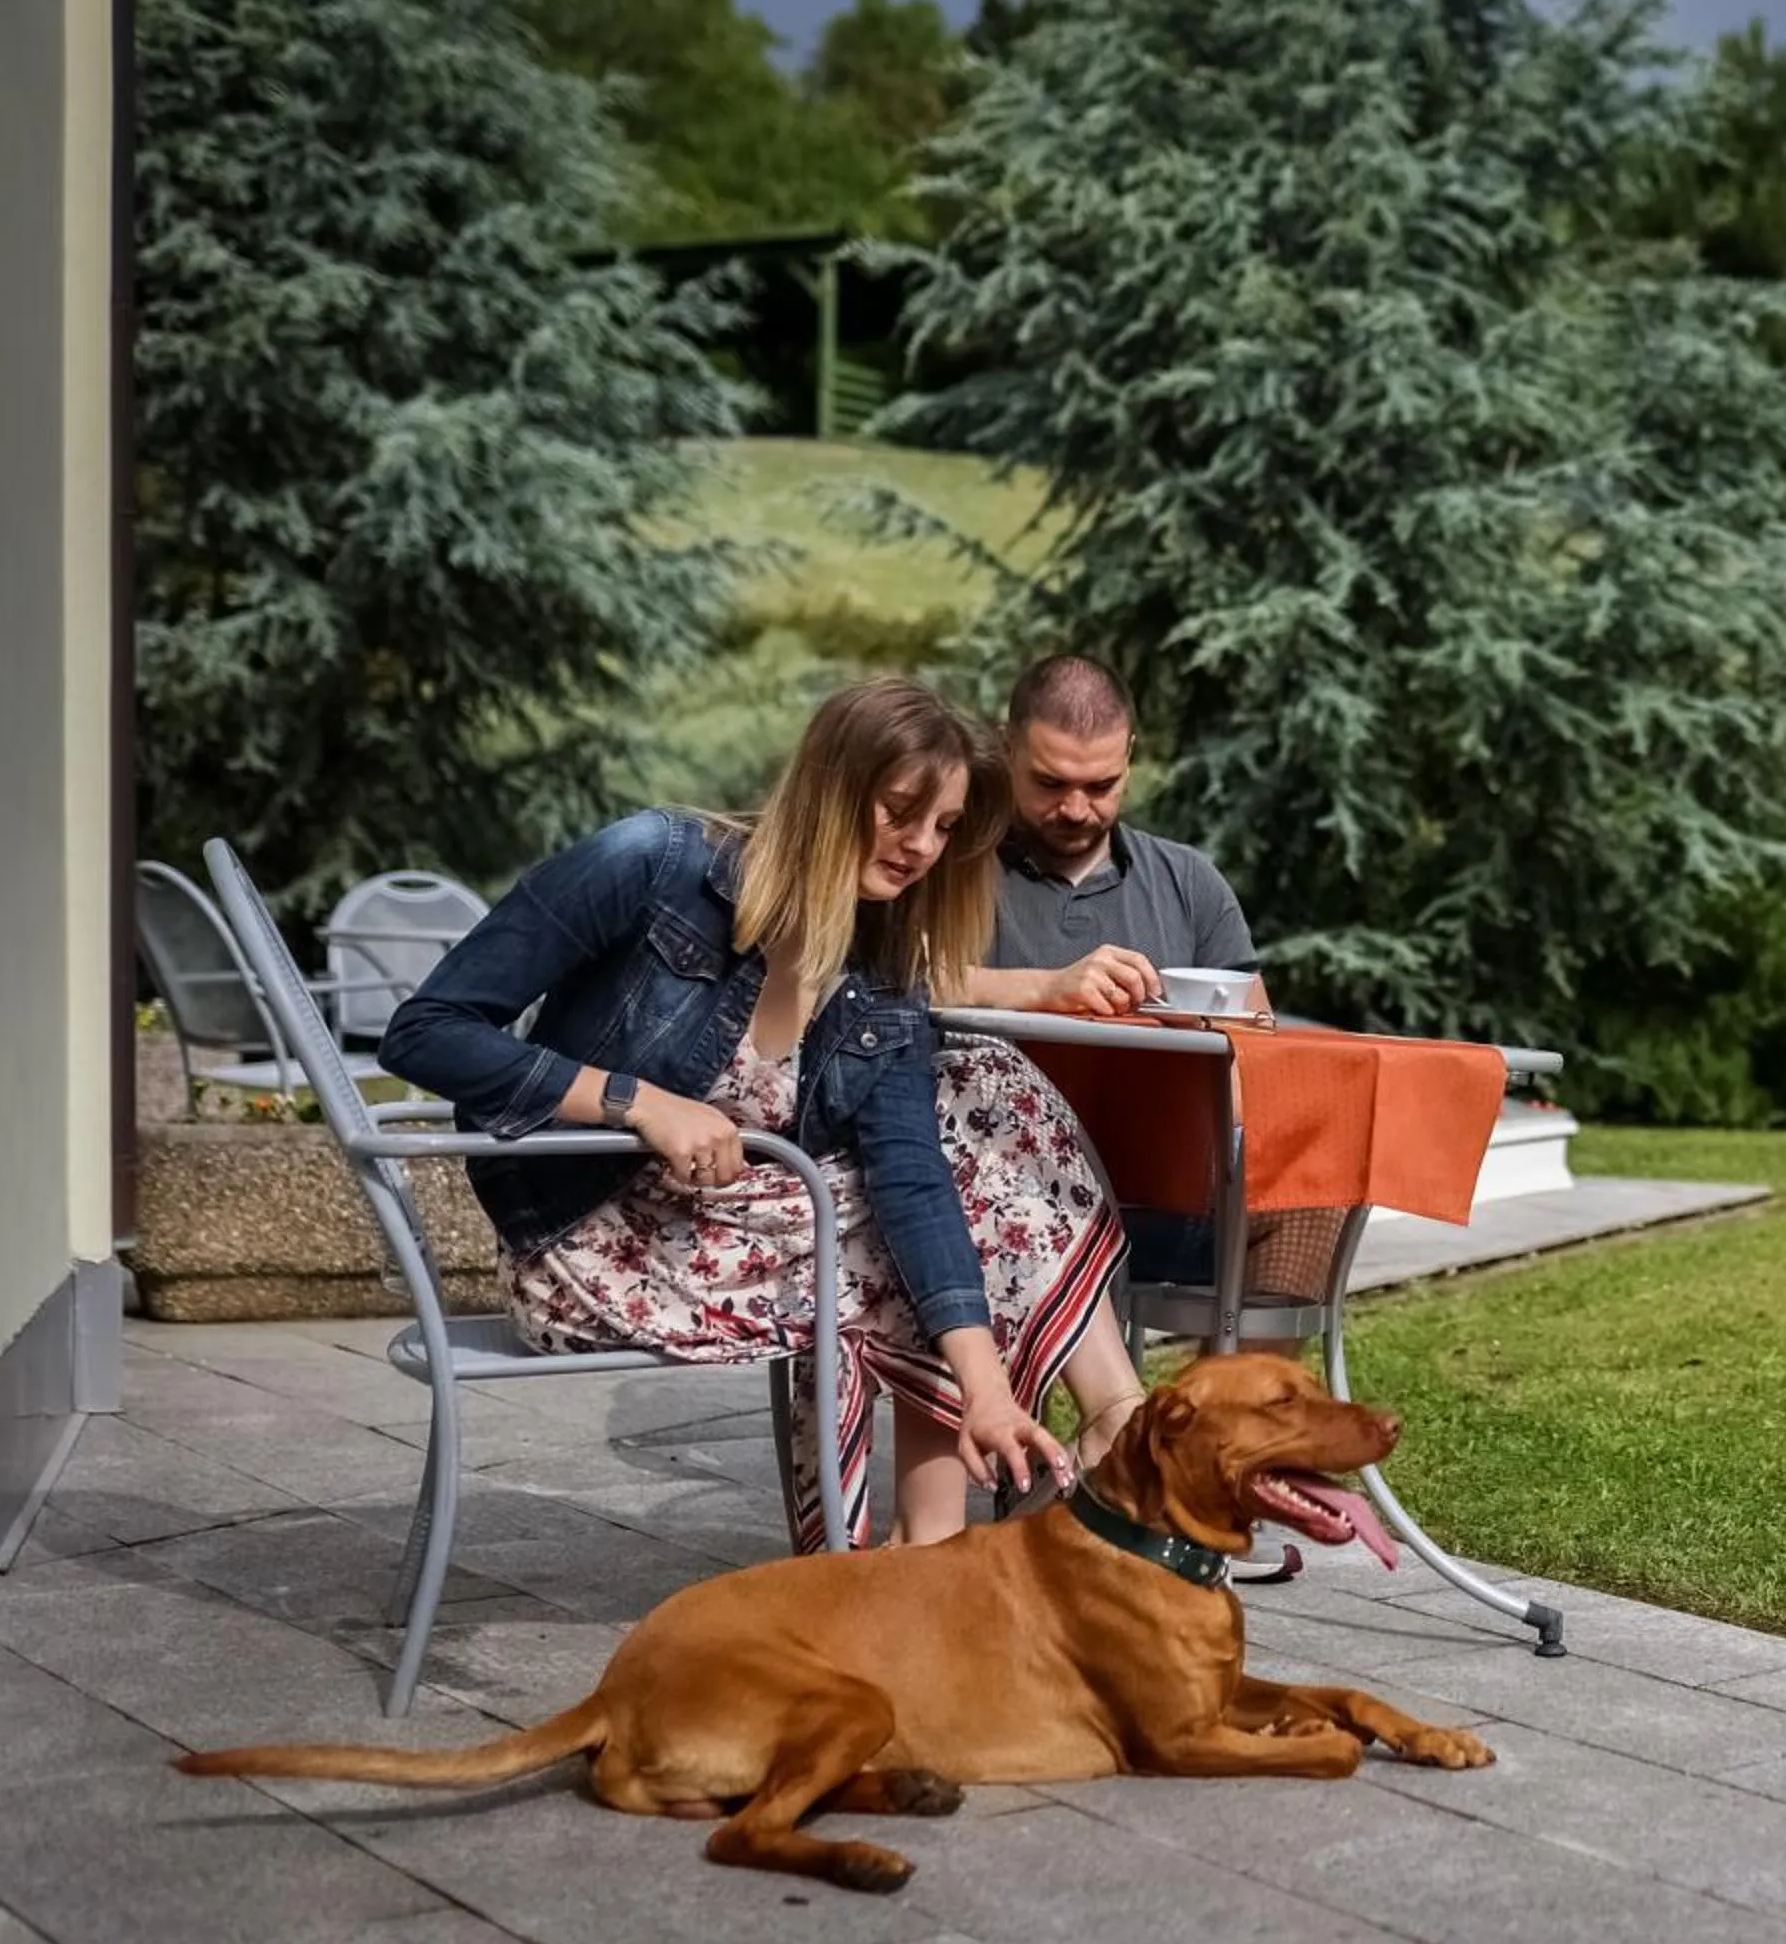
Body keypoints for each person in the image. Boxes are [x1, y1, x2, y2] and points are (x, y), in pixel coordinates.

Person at [380, 678, 1151, 1553]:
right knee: (932, 1170)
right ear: (830, 787)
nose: (921, 848)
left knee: (951, 1146)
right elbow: (427, 1032)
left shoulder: (879, 951)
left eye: (943, 828)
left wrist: (987, 1392)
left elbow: (910, 1170)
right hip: (587, 1238)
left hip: (751, 1230)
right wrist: (636, 1103)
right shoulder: (654, 863)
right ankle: (938, 1539)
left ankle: (928, 1536)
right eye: (901, 811)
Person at [964, 654, 1268, 1288]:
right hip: (998, 1186)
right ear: (1005, 746)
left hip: (1167, 1196)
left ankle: (1240, 1389)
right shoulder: (950, 867)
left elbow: (1258, 1044)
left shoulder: (1188, 882)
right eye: (1050, 783)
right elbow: (888, 982)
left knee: (1306, 1196)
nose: (1076, 808)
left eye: (1101, 786)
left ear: (1129, 755)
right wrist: (1044, 989)